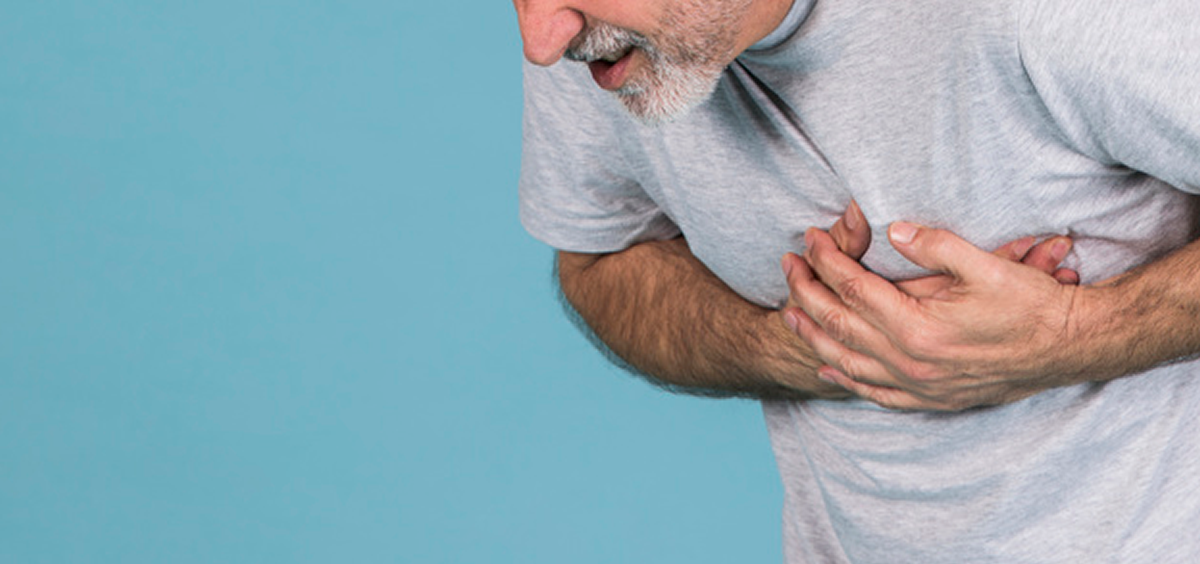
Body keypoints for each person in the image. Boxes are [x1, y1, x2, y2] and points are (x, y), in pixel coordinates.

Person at [513, 0, 1200, 560]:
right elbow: (600, 256)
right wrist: (809, 345)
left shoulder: (1050, 15)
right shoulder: (597, 47)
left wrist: (1072, 334)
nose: (540, 42)